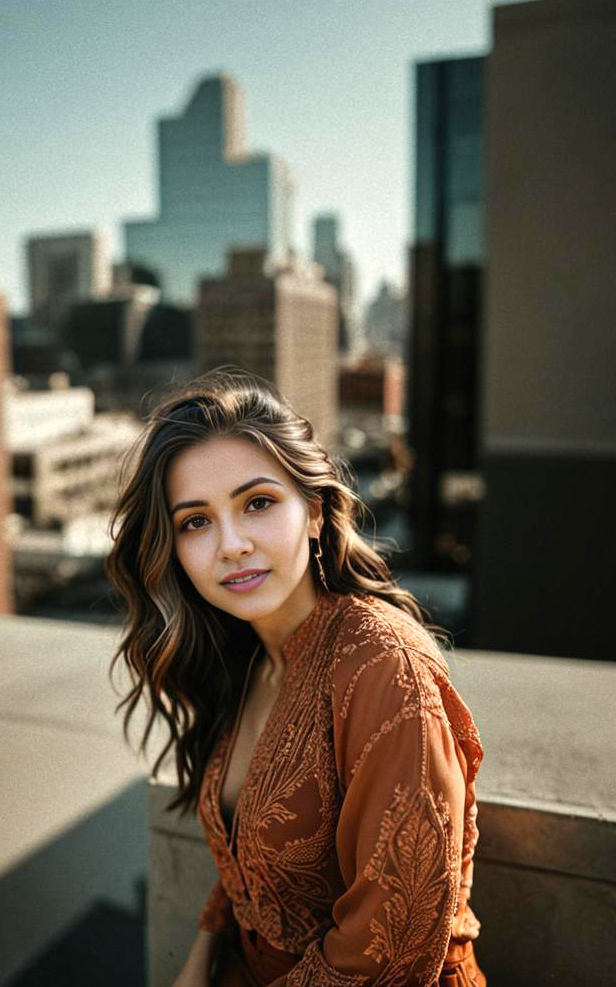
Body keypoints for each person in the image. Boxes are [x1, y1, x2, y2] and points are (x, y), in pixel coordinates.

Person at [106, 367, 487, 987]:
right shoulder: (248, 656)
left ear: (313, 512)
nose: (231, 544)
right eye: (195, 521)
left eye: (257, 503)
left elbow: (388, 949)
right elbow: (248, 867)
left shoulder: (383, 665)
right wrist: (201, 957)